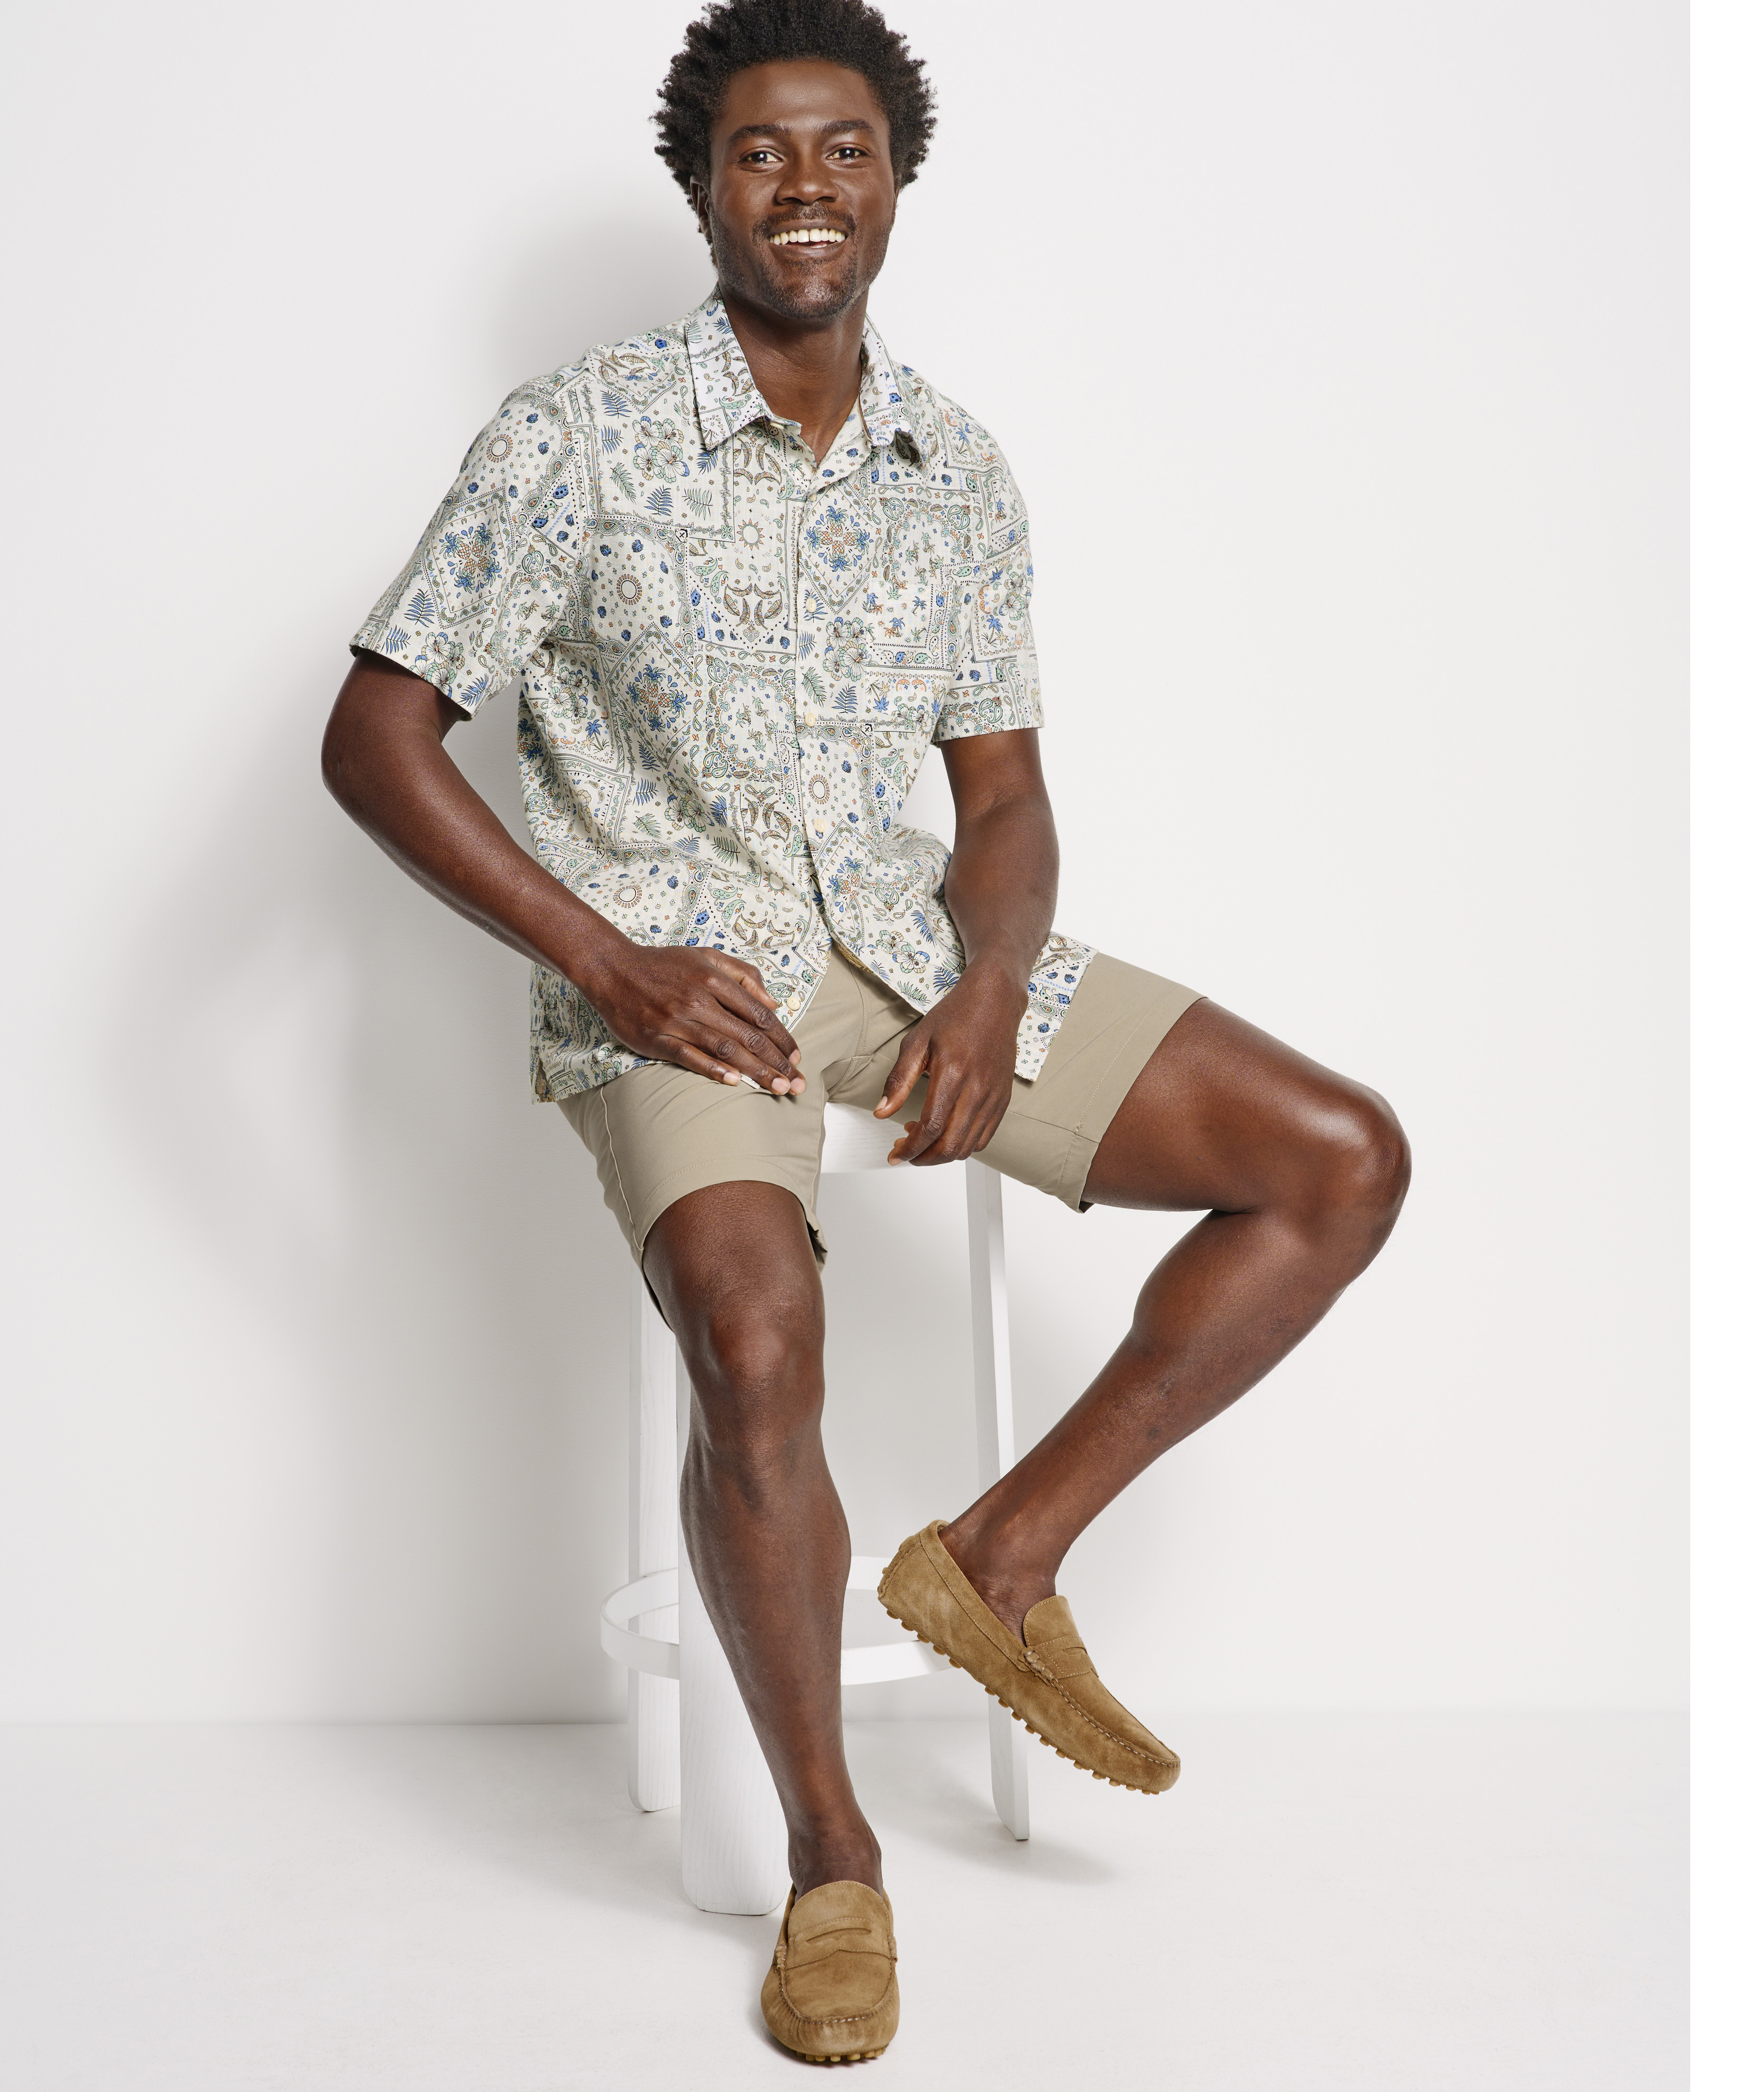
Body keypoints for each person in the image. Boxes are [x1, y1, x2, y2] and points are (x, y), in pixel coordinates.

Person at [321, 0, 1409, 2062]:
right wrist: (609, 962)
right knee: (757, 1341)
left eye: (845, 150)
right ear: (700, 186)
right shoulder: (572, 435)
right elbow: (375, 739)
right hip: (678, 977)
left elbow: (1002, 803)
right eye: (760, 152)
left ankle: (1000, 1555)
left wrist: (991, 984)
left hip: (911, 958)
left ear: (897, 180)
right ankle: (837, 1863)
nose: (806, 187)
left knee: (1338, 1160)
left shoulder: (955, 468)